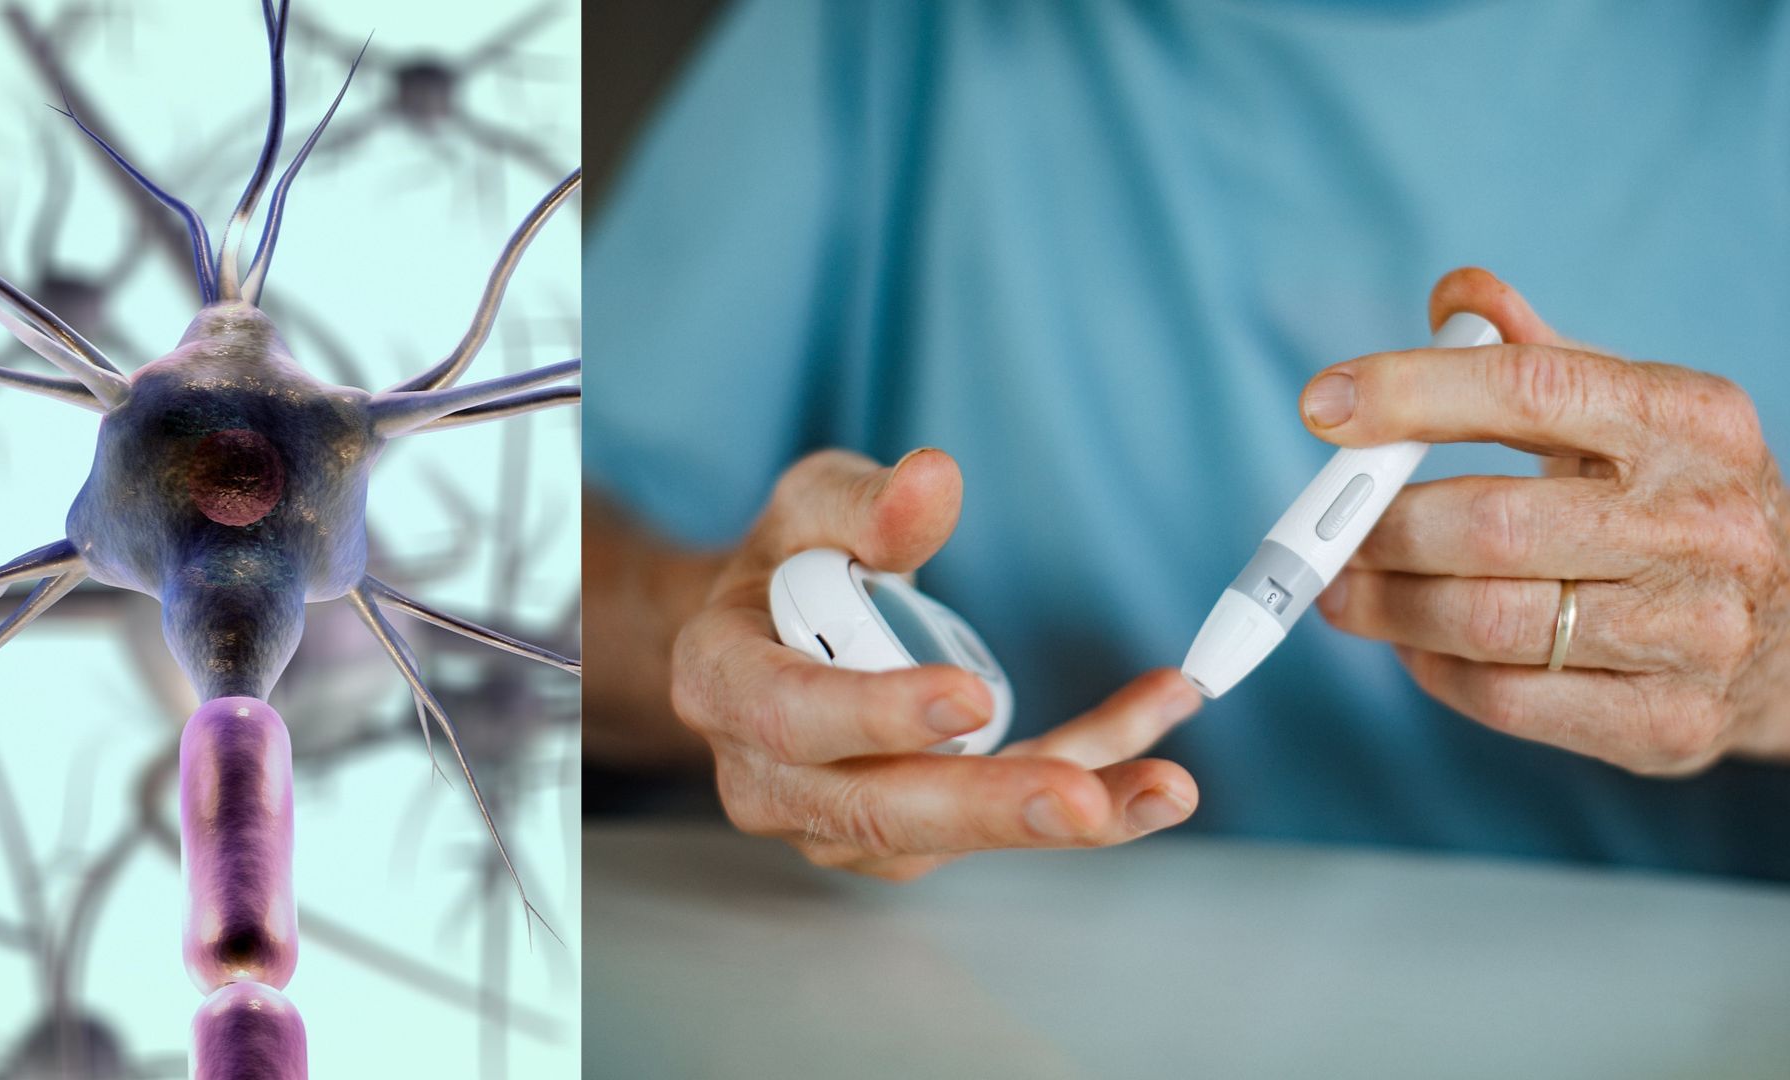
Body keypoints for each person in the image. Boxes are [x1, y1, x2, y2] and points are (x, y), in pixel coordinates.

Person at [583, 0, 1790, 880]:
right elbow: (469, 562)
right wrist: (709, 644)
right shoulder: (884, 33)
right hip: (983, 995)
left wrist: (1775, 655)